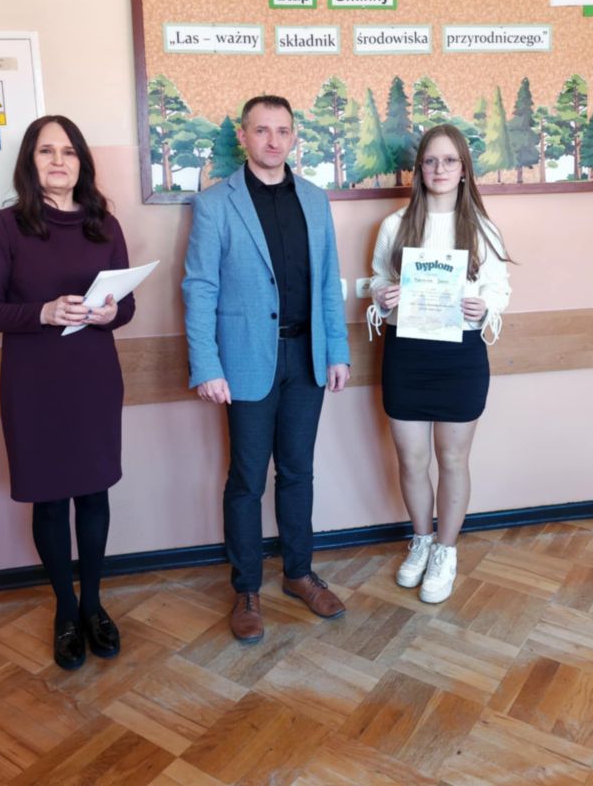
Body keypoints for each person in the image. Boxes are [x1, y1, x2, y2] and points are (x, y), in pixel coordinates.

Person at [0, 115, 135, 670]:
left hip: (94, 379)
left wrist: (111, 313)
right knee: (50, 498)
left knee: (94, 493)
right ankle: (65, 609)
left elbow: (127, 305)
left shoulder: (104, 225)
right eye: (46, 151)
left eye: (68, 151)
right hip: (34, 383)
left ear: (81, 162)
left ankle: (93, 605)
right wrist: (41, 312)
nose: (58, 161)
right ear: (30, 162)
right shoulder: (5, 227)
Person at [183, 94, 350, 644]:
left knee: (298, 472)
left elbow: (328, 283)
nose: (273, 140)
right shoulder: (216, 204)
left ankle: (299, 573)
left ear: (294, 137)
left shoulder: (315, 200)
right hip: (245, 361)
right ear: (243, 136)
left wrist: (337, 351)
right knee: (247, 480)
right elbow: (199, 288)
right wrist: (206, 364)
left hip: (306, 359)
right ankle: (247, 589)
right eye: (262, 130)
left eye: (282, 130)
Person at [369, 124, 511, 604]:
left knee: (452, 460)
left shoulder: (482, 228)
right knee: (411, 460)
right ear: (419, 169)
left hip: (460, 357)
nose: (439, 169)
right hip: (406, 354)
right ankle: (422, 540)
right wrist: (383, 295)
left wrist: (485, 307)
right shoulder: (395, 225)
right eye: (430, 161)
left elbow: (499, 289)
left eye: (450, 160)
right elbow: (377, 280)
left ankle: (446, 550)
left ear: (464, 169)